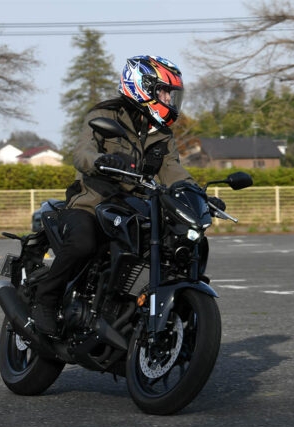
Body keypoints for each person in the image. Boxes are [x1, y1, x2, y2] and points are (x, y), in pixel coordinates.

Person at [32, 55, 224, 335]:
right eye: (164, 91)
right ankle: (46, 301)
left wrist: (198, 196)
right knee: (83, 243)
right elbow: (83, 151)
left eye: (171, 94)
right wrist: (100, 160)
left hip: (134, 207)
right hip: (92, 203)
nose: (169, 99)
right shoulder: (105, 115)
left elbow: (174, 171)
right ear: (142, 86)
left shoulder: (161, 134)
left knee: (174, 242)